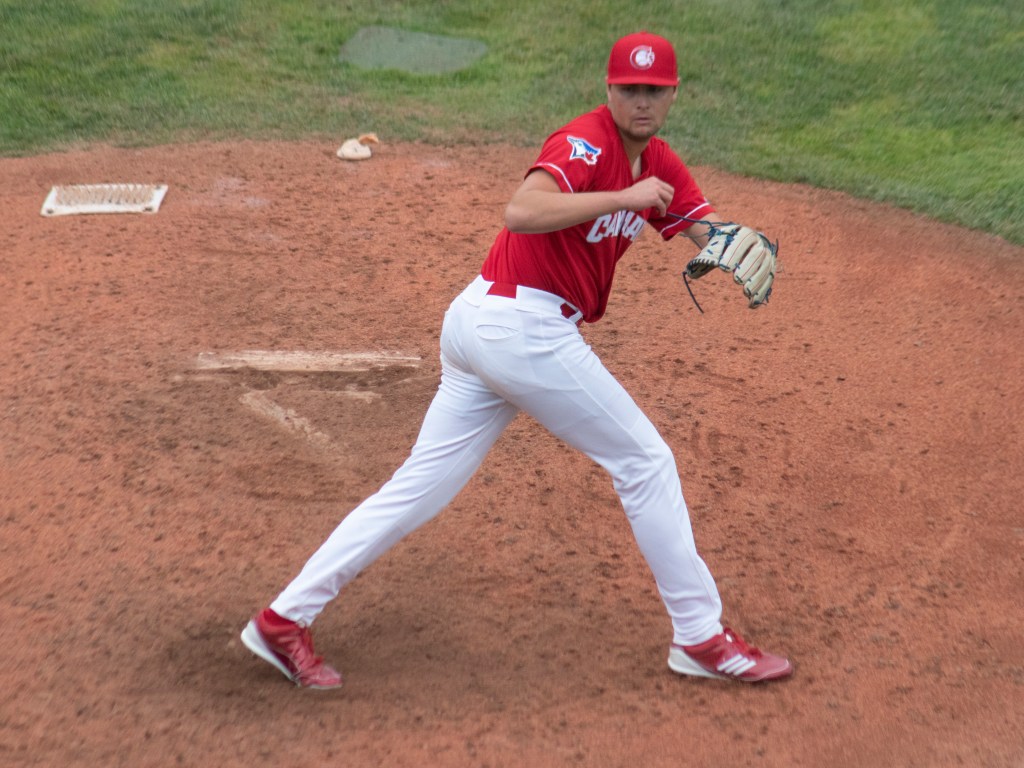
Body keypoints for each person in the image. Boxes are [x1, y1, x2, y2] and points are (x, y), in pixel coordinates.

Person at [241, 31, 793, 689]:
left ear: (674, 94)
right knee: (645, 461)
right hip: (520, 330)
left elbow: (700, 226)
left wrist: (734, 240)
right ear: (609, 90)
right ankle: (700, 637)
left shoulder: (660, 164)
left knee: (417, 490)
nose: (641, 101)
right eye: (630, 89)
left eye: (654, 90)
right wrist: (623, 198)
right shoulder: (584, 142)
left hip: (486, 327)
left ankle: (282, 620)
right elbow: (522, 210)